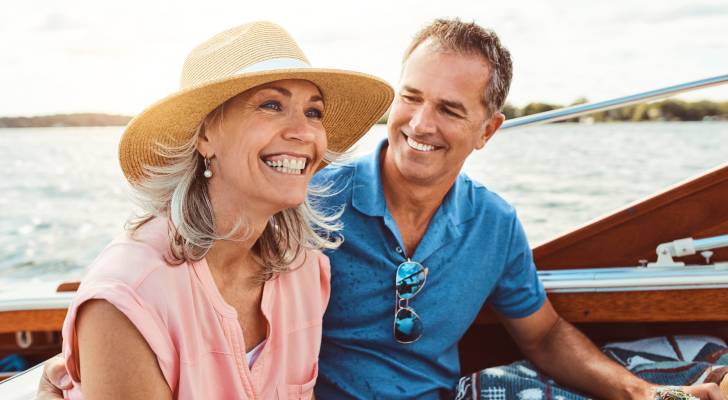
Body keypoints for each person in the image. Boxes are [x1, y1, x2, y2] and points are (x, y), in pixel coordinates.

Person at [37, 19, 724, 400]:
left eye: (450, 109)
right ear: (204, 135)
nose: (420, 124)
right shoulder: (306, 206)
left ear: (488, 130)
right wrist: (80, 364)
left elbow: (542, 336)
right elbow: (154, 280)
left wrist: (643, 394)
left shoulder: (302, 257)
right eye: (411, 98)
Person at [47, 21, 392, 399]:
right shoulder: (130, 295)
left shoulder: (304, 270)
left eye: (313, 112)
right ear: (205, 135)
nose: (304, 132)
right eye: (271, 105)